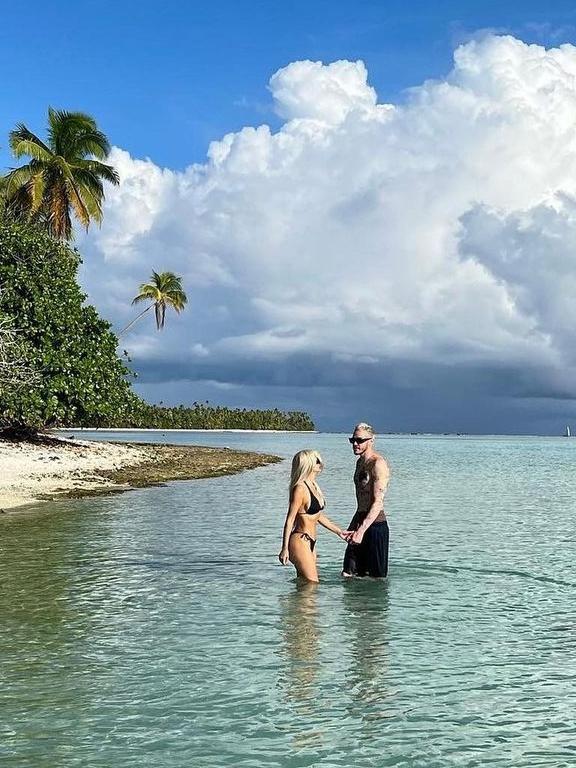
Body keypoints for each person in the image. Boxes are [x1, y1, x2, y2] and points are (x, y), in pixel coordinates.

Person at [279, 450, 350, 583]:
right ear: (308, 464)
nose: (321, 464)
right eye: (317, 461)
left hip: (311, 542)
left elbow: (317, 516)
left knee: (305, 584)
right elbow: (289, 520)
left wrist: (339, 532)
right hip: (300, 541)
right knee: (312, 584)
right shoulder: (300, 488)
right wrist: (284, 549)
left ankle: (296, 604)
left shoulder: (314, 486)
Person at [342, 423, 390, 578]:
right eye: (352, 440)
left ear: (371, 440)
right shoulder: (359, 463)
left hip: (375, 526)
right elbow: (361, 500)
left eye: (360, 440)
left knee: (376, 579)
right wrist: (354, 526)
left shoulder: (378, 464)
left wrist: (361, 531)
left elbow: (378, 502)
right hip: (360, 520)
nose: (355, 444)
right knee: (348, 573)